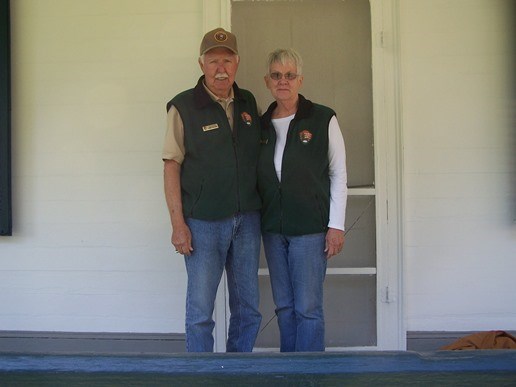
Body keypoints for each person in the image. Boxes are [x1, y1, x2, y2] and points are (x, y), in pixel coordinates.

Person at [162, 28, 262, 352]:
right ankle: (201, 377)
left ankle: (236, 374)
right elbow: (171, 165)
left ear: (237, 63)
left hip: (246, 220)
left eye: (228, 60)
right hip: (202, 224)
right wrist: (178, 225)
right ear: (201, 64)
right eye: (214, 60)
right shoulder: (183, 107)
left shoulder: (248, 102)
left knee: (248, 311)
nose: (221, 68)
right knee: (201, 314)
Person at [258, 48, 347, 352]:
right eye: (276, 75)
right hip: (273, 230)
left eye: (290, 75)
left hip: (310, 231)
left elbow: (338, 174)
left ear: (300, 80)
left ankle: (310, 376)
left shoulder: (322, 118)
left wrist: (336, 226)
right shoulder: (261, 125)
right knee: (284, 307)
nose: (283, 81)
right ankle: (290, 372)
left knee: (307, 309)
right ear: (267, 81)